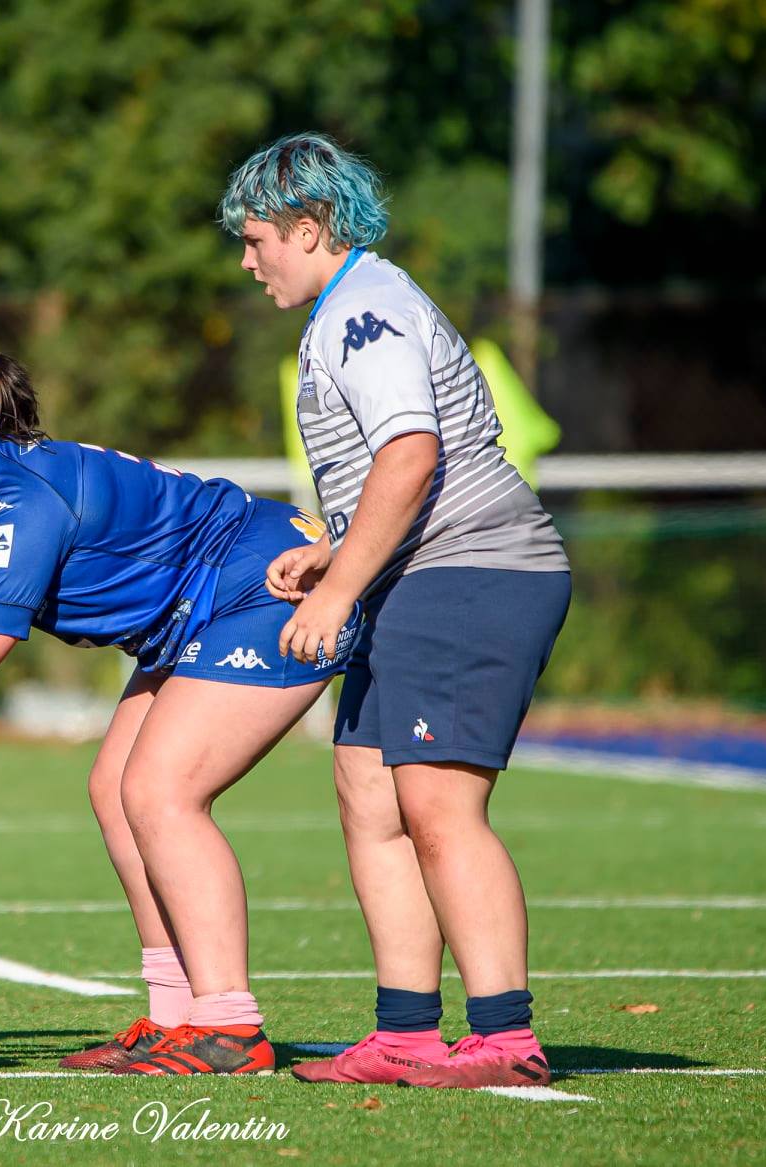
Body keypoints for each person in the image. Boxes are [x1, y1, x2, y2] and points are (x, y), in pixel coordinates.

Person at [0, 343, 359, 1077]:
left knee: (160, 792)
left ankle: (231, 1026)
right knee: (116, 792)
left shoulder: (19, 497)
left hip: (263, 587)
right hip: (198, 614)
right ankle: (176, 1016)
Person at [219, 132, 571, 1088]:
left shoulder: (361, 310)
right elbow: (408, 465)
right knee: (369, 796)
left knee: (436, 805)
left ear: (309, 226)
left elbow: (411, 455)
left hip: (470, 572)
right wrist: (337, 552)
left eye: (256, 241)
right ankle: (406, 1030)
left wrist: (336, 591)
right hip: (421, 573)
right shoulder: (349, 305)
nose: (246, 263)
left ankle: (503, 1036)